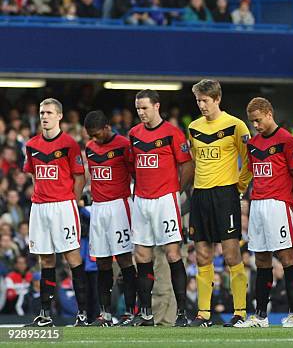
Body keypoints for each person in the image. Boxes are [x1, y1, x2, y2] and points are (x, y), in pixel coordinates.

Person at [187, 79, 252, 327]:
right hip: (200, 195)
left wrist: (239, 187)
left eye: (205, 100)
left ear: (217, 99)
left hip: (225, 194)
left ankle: (240, 312)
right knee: (202, 254)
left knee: (231, 253)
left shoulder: (235, 125)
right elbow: (194, 161)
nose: (201, 105)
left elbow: (248, 160)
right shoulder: (193, 127)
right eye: (198, 101)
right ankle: (203, 314)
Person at [235, 97, 293, 328]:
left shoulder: (287, 140)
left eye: (257, 120)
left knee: (286, 257)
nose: (255, 125)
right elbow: (254, 173)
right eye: (252, 121)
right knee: (261, 258)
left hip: (278, 204)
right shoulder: (253, 144)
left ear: (268, 113)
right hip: (258, 205)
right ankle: (261, 316)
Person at [127, 89, 194, 326]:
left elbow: (187, 165)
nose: (141, 113)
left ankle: (182, 313)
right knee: (142, 256)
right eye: (138, 109)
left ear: (156, 106)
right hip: (141, 200)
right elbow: (133, 167)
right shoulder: (133, 134)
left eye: (144, 108)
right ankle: (145, 313)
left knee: (172, 254)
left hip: (166, 200)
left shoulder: (172, 133)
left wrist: (176, 191)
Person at [23, 98, 89, 327]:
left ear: (59, 116)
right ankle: (45, 314)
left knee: (72, 257)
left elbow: (80, 176)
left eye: (49, 112)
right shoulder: (31, 145)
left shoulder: (70, 144)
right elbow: (32, 174)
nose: (44, 116)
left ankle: (82, 313)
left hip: (63, 206)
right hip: (40, 207)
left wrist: (71, 198)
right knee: (45, 259)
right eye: (42, 112)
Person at [83, 110, 137, 327]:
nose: (95, 139)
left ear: (107, 127)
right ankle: (104, 314)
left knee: (124, 259)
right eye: (91, 136)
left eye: (97, 134)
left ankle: (131, 312)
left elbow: (135, 173)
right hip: (98, 208)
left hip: (119, 206)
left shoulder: (123, 145)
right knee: (102, 261)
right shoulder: (89, 148)